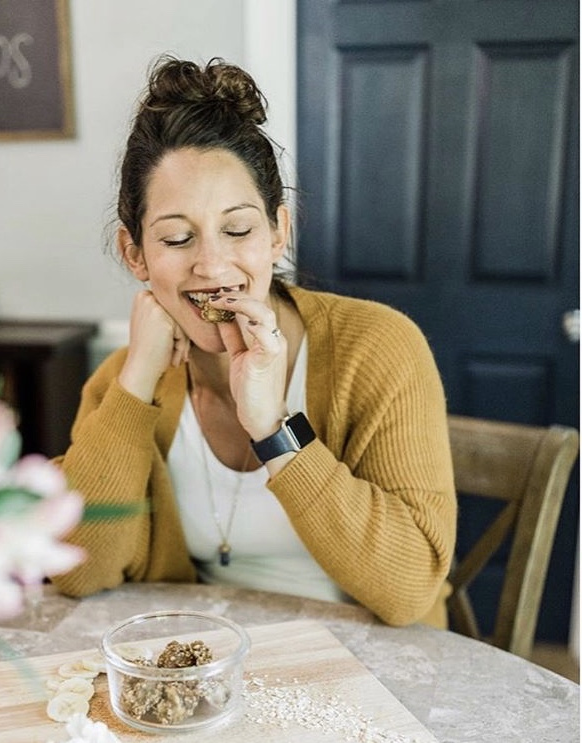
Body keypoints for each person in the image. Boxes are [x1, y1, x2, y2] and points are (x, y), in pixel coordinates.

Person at [51, 55, 457, 627]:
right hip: (211, 670)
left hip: (376, 675)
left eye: (238, 229)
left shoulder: (379, 348)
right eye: (176, 238)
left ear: (277, 233)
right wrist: (136, 382)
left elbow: (411, 588)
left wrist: (272, 427)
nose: (212, 265)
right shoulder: (122, 382)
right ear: (134, 254)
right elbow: (77, 573)